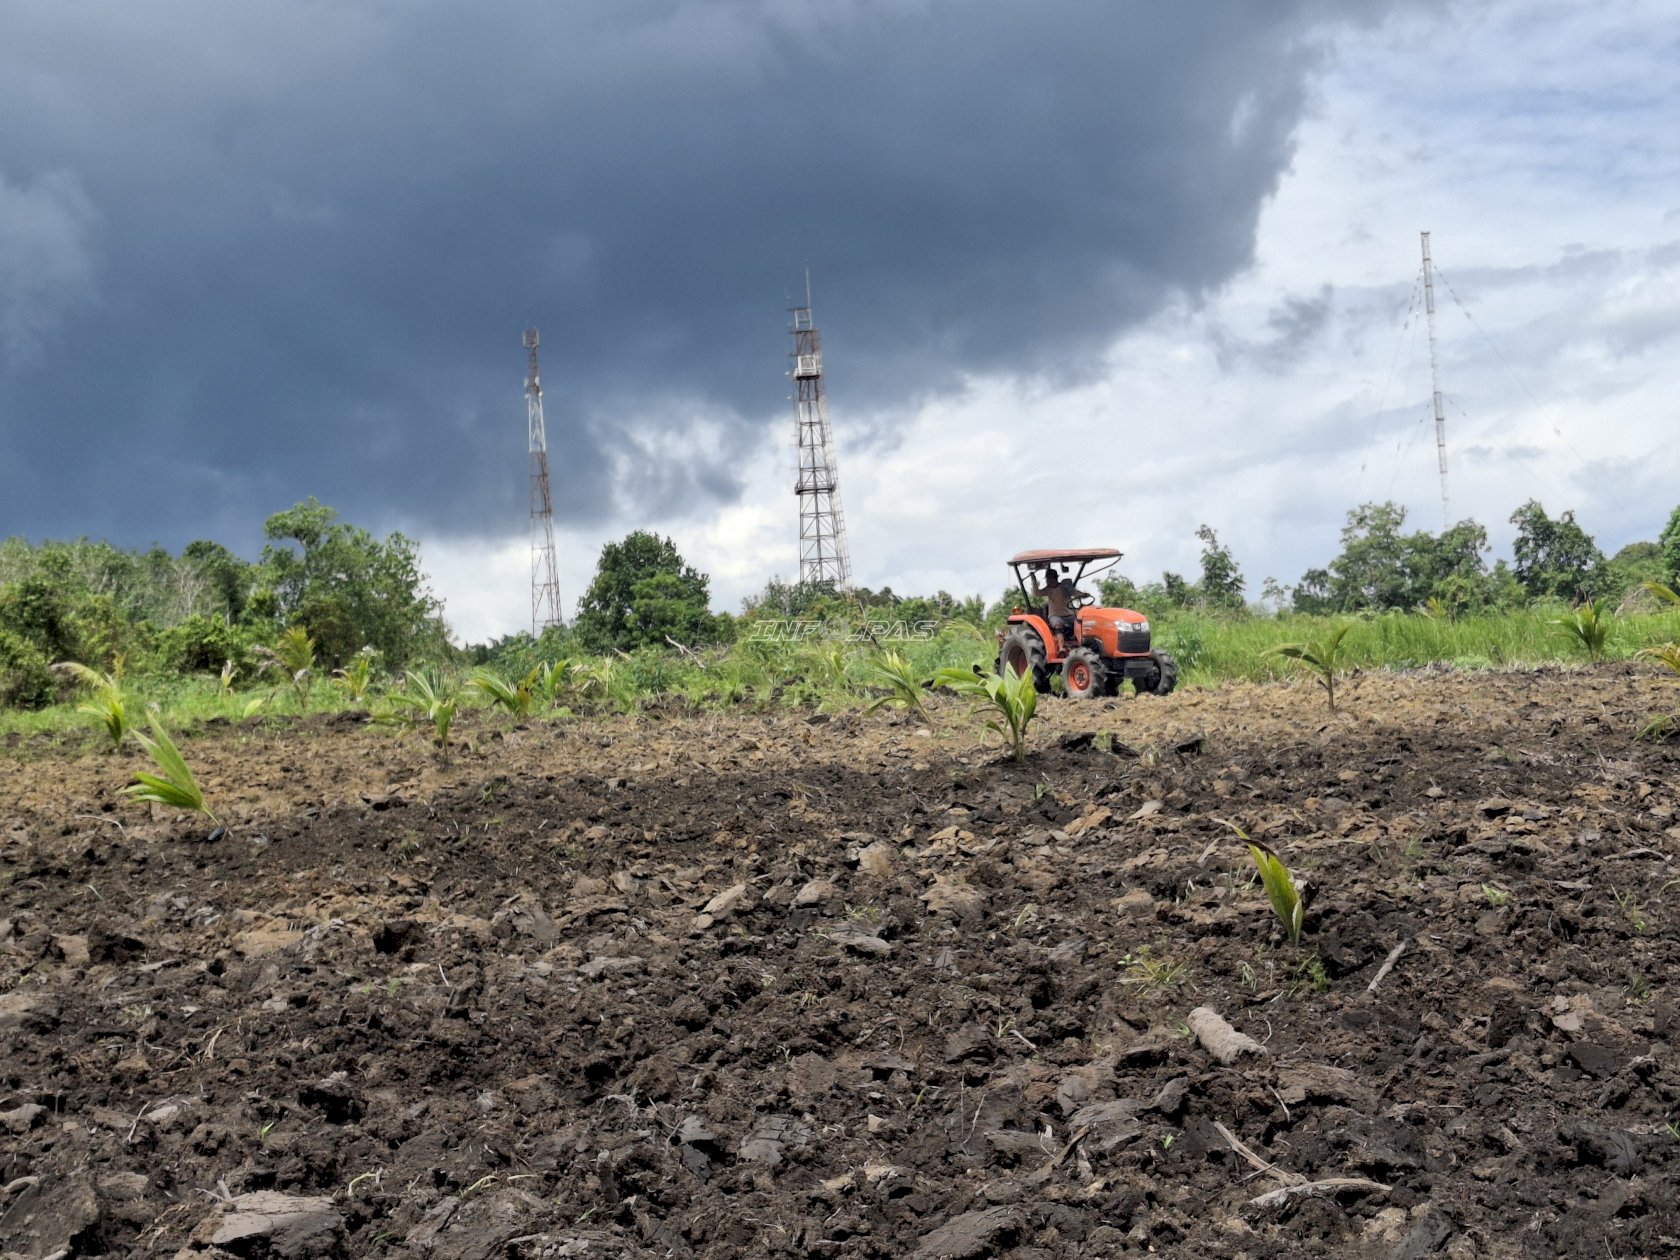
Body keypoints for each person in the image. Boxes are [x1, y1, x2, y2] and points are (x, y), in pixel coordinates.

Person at [1032, 566, 1087, 646]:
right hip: (1055, 616)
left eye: (1049, 579)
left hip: (1070, 615)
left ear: (1055, 579)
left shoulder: (1064, 587)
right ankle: (1061, 647)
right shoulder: (1048, 590)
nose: (1047, 581)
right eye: (1047, 579)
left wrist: (1083, 595)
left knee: (1082, 623)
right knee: (1057, 624)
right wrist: (1033, 579)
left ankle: (1082, 643)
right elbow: (1036, 593)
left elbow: (1075, 593)